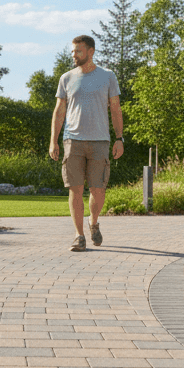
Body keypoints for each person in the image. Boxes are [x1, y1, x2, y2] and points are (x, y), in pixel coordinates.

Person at [48, 34, 123, 251]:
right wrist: (54, 141)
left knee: (98, 190)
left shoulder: (108, 77)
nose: (74, 55)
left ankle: (93, 222)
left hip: (100, 140)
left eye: (78, 51)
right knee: (75, 189)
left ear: (90, 52)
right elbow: (59, 111)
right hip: (73, 140)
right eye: (73, 51)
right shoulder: (67, 78)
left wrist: (119, 138)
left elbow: (116, 109)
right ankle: (79, 236)